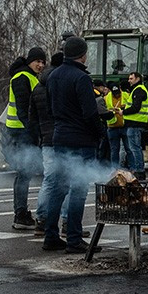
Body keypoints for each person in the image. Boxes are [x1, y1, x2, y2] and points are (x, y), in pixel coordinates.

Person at [41, 35, 104, 252]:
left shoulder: (53, 76)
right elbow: (90, 112)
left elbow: (50, 110)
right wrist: (100, 133)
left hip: (60, 137)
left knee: (58, 188)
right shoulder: (82, 78)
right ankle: (74, 238)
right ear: (84, 55)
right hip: (81, 140)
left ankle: (50, 235)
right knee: (78, 189)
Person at [3, 47, 47, 229]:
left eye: (43, 62)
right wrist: (34, 131)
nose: (41, 65)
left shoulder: (29, 76)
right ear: (30, 61)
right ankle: (20, 214)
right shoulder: (22, 77)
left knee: (26, 173)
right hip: (22, 132)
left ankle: (21, 214)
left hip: (21, 130)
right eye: (38, 61)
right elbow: (23, 109)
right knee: (25, 173)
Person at [29, 51, 63, 235]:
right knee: (68, 180)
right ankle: (67, 223)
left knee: (49, 181)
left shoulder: (38, 87)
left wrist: (40, 137)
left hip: (46, 140)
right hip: (63, 138)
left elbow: (31, 117)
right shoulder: (60, 84)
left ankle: (41, 219)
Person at [121, 72, 148, 174]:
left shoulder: (139, 90)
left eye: (131, 78)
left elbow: (136, 107)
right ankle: (138, 170)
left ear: (138, 78)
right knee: (134, 148)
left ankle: (139, 170)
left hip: (135, 123)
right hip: (136, 123)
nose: (129, 80)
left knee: (134, 148)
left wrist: (123, 112)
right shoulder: (138, 90)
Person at [103, 82, 127, 168]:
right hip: (112, 126)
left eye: (118, 93)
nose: (117, 95)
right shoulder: (106, 98)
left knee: (128, 149)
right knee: (114, 150)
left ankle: (128, 168)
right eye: (115, 93)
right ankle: (115, 170)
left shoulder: (126, 95)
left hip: (124, 125)